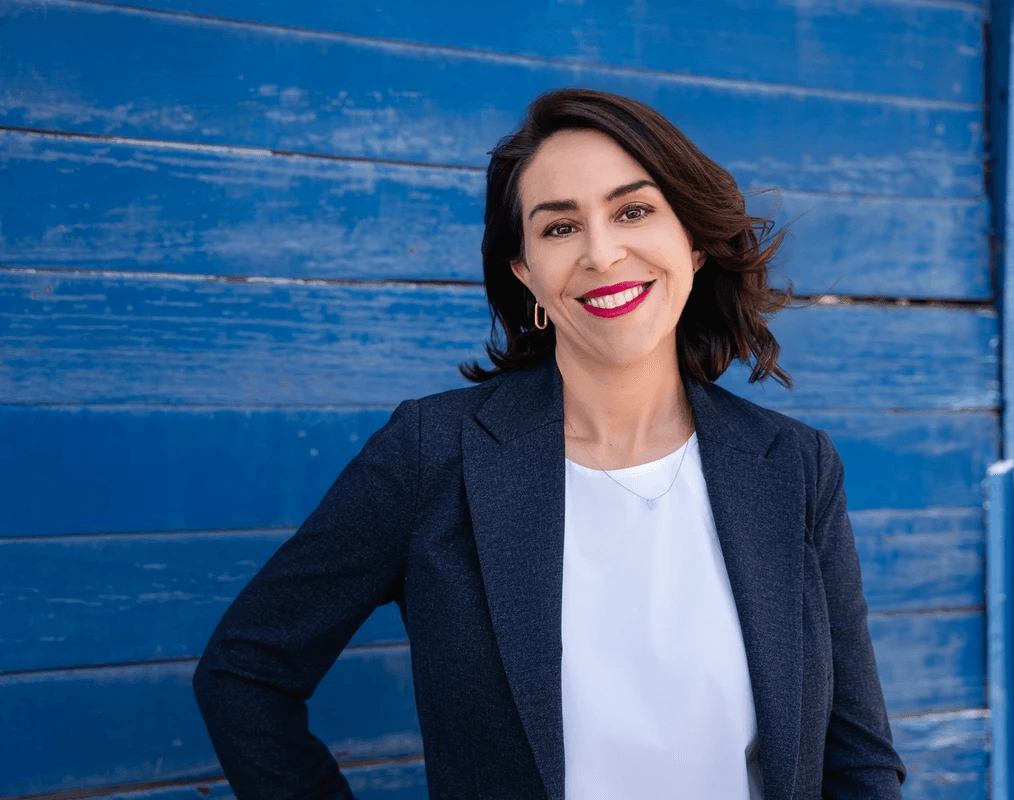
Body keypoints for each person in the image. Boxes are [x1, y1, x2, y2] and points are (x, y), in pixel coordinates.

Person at [193, 87, 907, 800]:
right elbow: (244, 674)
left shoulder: (795, 468)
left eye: (633, 211)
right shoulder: (434, 452)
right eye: (560, 228)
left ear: (691, 240)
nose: (601, 252)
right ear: (526, 273)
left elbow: (859, 762)